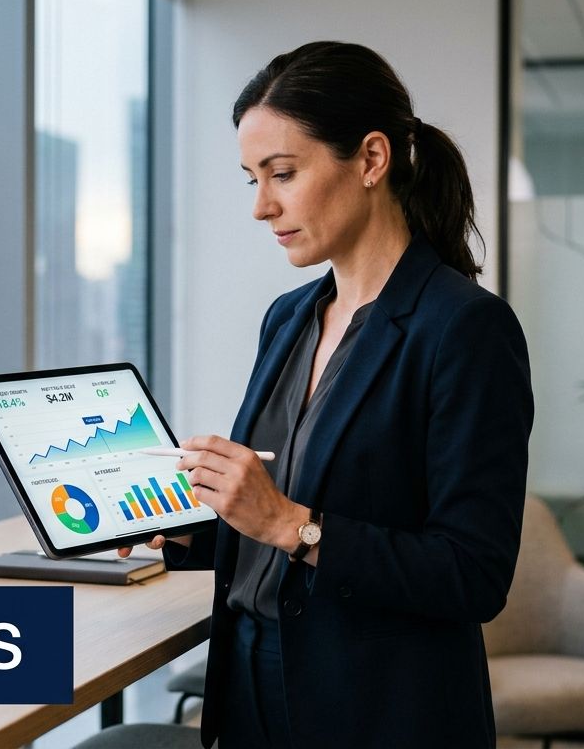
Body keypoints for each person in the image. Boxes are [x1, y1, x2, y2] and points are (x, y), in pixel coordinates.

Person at [119, 41, 534, 747]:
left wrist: (291, 525)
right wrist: (199, 530)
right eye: (252, 178)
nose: (261, 206)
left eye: (282, 173)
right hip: (250, 685)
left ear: (371, 159)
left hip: (377, 712)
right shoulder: (288, 318)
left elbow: (474, 574)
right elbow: (287, 527)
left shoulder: (464, 328)